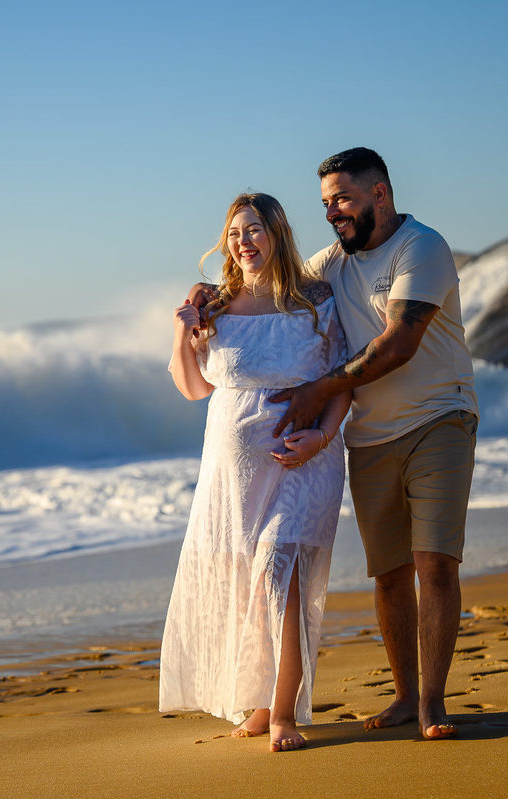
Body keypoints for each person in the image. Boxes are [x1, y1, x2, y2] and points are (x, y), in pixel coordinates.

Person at [267, 147, 479, 740]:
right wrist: (210, 297)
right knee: (388, 574)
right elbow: (275, 286)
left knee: (433, 562)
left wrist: (319, 391)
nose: (333, 211)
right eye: (327, 202)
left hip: (441, 416)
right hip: (370, 437)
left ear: (379, 194)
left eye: (343, 198)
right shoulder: (332, 262)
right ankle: (407, 696)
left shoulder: (422, 247)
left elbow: (398, 343)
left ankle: (434, 702)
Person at [159, 193, 352, 753]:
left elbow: (343, 379)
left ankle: (283, 714)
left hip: (303, 460)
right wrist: (183, 331)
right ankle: (259, 701)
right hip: (231, 473)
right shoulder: (215, 305)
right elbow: (194, 387)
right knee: (250, 583)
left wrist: (323, 435)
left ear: (278, 235)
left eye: (255, 230)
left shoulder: (316, 300)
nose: (244, 241)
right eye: (235, 233)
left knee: (277, 577)